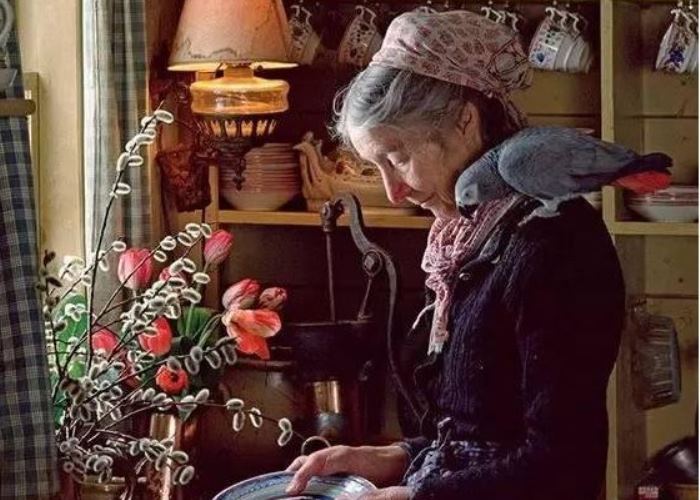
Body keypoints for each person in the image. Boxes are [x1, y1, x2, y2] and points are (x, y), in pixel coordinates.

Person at [286, 10, 624, 500]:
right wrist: (389, 458)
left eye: (398, 157)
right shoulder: (463, 241)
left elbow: (564, 465)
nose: (394, 192)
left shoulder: (554, 245)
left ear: (465, 120)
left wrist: (416, 497)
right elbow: (475, 436)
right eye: (377, 167)